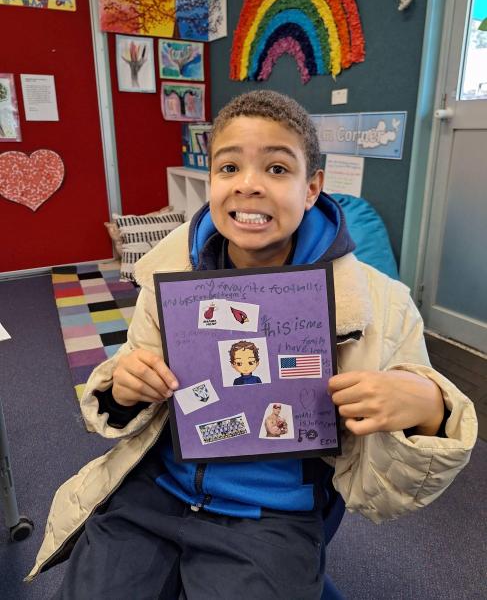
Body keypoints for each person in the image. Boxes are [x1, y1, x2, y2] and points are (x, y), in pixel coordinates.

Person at [27, 91, 477, 599]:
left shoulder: (378, 302)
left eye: (278, 169)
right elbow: (130, 378)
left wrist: (427, 405)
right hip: (154, 492)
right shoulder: (168, 272)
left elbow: (407, 465)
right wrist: (122, 385)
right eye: (228, 167)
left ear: (312, 189)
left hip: (271, 511)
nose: (249, 184)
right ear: (212, 182)